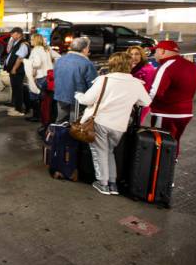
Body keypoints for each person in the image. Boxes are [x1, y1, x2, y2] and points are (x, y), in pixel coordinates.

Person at [75, 52, 151, 195]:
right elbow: (146, 102)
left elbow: (87, 100)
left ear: (112, 64)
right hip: (120, 125)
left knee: (100, 152)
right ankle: (112, 183)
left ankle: (102, 183)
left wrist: (78, 95)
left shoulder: (104, 80)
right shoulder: (136, 83)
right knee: (109, 152)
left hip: (100, 122)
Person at [148, 40, 196, 157]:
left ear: (162, 51)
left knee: (160, 146)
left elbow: (154, 93)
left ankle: (160, 172)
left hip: (166, 114)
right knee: (174, 143)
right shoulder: (192, 66)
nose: (154, 54)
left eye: (155, 51)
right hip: (185, 114)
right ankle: (170, 166)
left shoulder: (166, 66)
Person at [53, 36, 98, 123]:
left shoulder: (60, 60)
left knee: (60, 121)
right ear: (84, 49)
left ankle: (59, 136)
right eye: (88, 48)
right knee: (75, 123)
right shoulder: (86, 63)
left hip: (60, 95)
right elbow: (93, 85)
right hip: (78, 99)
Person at [25, 33, 60, 123]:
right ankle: (46, 116)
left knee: (35, 96)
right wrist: (52, 64)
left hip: (40, 77)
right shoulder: (47, 49)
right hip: (49, 76)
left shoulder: (35, 50)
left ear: (36, 40)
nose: (30, 41)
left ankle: (37, 116)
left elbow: (37, 63)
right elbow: (59, 57)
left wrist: (27, 62)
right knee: (47, 98)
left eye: (32, 39)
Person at [3, 27, 30, 117]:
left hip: (17, 71)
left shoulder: (23, 44)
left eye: (13, 33)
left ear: (18, 34)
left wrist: (14, 68)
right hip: (13, 70)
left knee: (18, 90)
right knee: (15, 89)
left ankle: (19, 110)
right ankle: (15, 107)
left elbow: (20, 58)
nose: (11, 35)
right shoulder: (16, 43)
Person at [128, 45, 156, 124]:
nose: (134, 56)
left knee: (135, 125)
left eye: (137, 54)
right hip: (128, 102)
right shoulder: (128, 67)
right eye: (131, 54)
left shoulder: (148, 69)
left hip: (141, 103)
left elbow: (147, 89)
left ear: (142, 55)